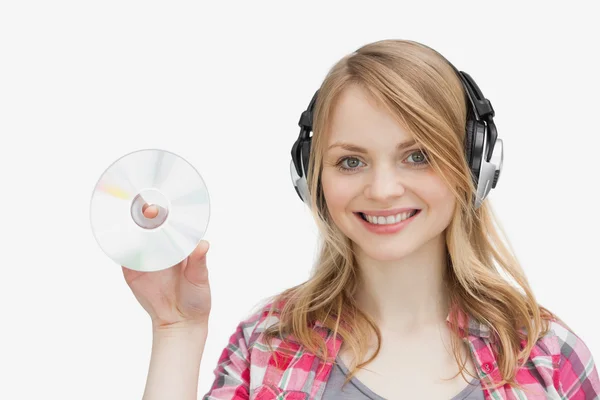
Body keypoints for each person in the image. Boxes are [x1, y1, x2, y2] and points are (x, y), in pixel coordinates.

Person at [122, 39, 600, 399]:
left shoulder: (547, 356)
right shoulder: (268, 345)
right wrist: (176, 329)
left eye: (417, 156)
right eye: (351, 161)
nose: (383, 189)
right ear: (311, 178)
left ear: (473, 166)